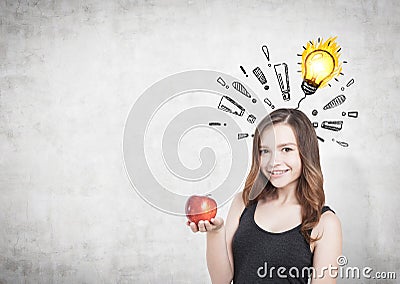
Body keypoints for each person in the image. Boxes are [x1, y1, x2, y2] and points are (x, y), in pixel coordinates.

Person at [187, 108, 342, 283]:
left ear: (306, 152)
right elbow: (221, 279)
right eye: (265, 151)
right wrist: (215, 232)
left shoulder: (324, 222)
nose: (273, 161)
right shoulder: (244, 202)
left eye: (286, 149)